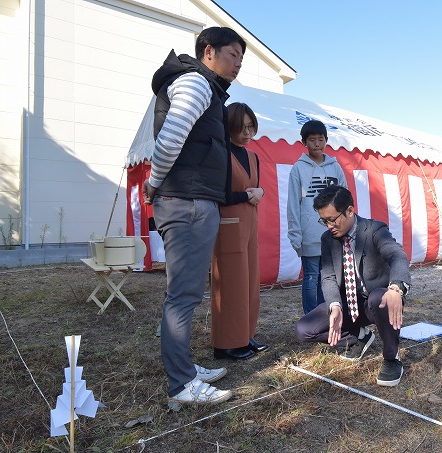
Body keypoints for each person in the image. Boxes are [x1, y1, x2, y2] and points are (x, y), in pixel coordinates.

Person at [142, 27, 245, 405]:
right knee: (182, 295)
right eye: (232, 54)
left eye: (240, 58)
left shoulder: (203, 86)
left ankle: (184, 366)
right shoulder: (196, 83)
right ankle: (182, 384)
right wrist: (154, 181)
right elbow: (170, 137)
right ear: (208, 52)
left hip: (192, 199)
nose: (237, 64)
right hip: (187, 200)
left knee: (185, 292)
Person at [295, 185, 411, 387]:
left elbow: (397, 255)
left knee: (379, 298)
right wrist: (335, 306)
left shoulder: (375, 229)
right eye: (324, 221)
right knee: (304, 330)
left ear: (350, 210)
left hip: (378, 301)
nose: (329, 226)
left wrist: (396, 288)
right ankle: (359, 336)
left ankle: (392, 358)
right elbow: (328, 276)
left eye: (333, 219)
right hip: (349, 303)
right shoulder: (327, 239)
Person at [210, 102, 269, 360]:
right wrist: (249, 194)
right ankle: (226, 344)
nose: (247, 133)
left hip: (250, 224)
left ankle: (245, 335)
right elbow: (217, 193)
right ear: (229, 127)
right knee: (230, 285)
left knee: (249, 282)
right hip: (228, 225)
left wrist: (261, 192)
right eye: (241, 127)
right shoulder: (220, 153)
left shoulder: (253, 156)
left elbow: (257, 187)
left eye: (251, 127)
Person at [287, 120, 348, 314]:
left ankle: (326, 316)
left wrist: (346, 228)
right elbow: (293, 204)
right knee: (311, 278)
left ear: (326, 140)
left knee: (329, 278)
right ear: (304, 142)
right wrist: (295, 235)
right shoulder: (298, 169)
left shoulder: (335, 167)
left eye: (320, 139)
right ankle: (310, 319)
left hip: (332, 234)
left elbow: (345, 198)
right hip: (309, 235)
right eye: (311, 140)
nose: (317, 144)